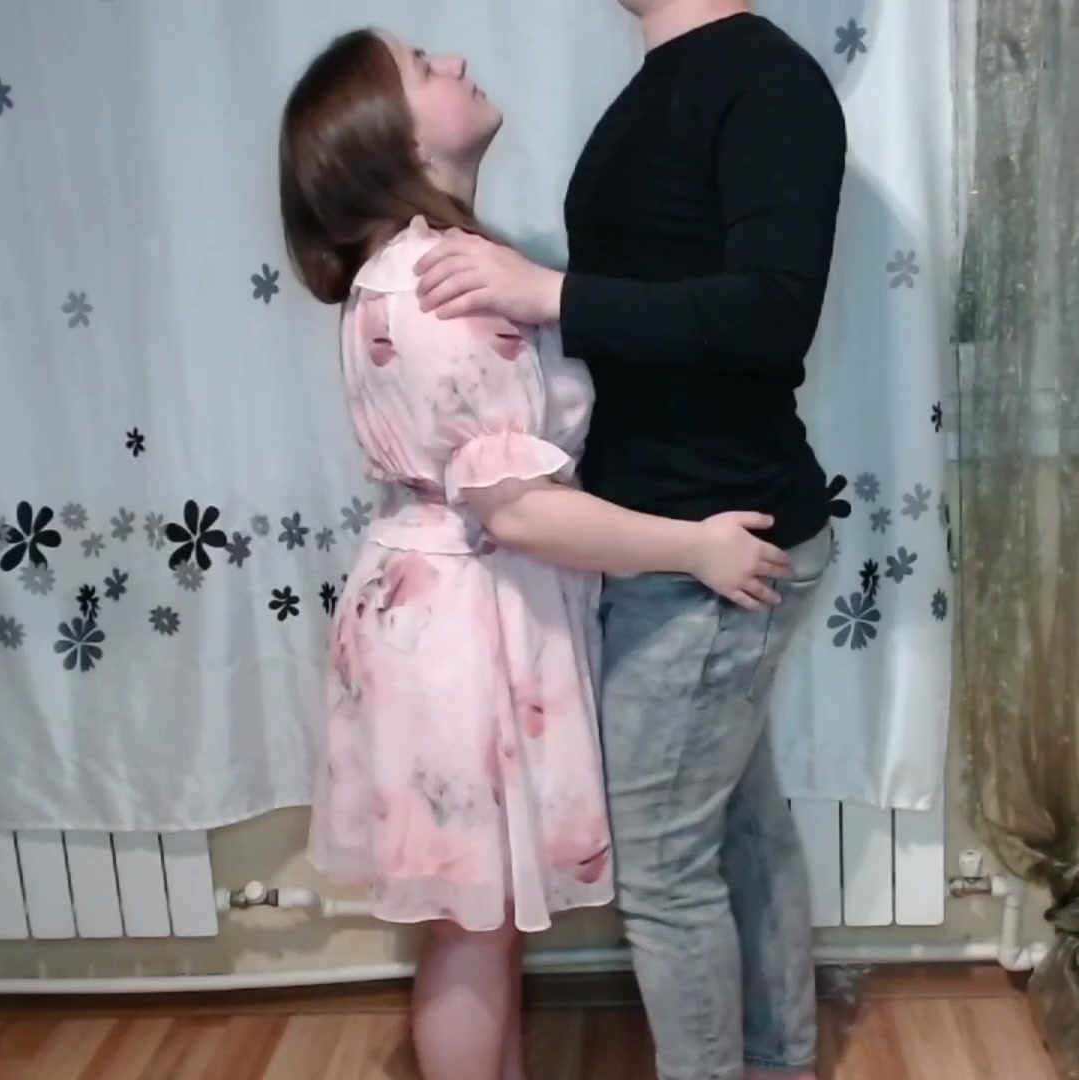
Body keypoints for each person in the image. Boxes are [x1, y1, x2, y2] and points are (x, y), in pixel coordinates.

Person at [279, 27, 796, 1080]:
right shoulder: (435, 292)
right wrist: (695, 547)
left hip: (459, 616)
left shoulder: (436, 269)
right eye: (422, 66)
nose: (454, 63)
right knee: (474, 931)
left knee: (486, 924)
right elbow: (517, 511)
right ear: (391, 137)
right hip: (462, 632)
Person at [411, 2, 845, 1077]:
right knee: (738, 830)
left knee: (663, 867)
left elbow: (772, 313)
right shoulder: (665, 84)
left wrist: (549, 293)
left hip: (718, 539)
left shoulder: (766, 81)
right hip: (677, 536)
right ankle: (778, 1059)